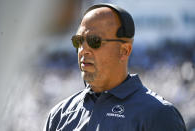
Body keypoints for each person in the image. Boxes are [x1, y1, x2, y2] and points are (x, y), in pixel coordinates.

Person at [44, 3, 187, 131]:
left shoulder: (158, 114)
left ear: (124, 51)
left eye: (94, 41)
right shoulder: (59, 115)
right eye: (79, 41)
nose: (83, 50)